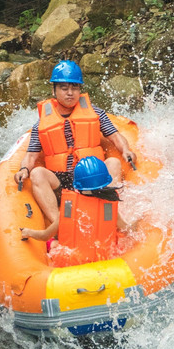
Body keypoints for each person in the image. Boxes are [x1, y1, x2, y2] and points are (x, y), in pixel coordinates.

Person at [14, 60, 136, 242]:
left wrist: (126, 150)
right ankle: (58, 224)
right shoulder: (42, 124)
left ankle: (110, 213)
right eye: (64, 88)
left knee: (114, 162)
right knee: (38, 173)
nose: (70, 93)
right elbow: (31, 155)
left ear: (80, 90)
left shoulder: (96, 113)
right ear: (54, 91)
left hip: (93, 176)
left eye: (74, 88)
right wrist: (24, 169)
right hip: (60, 180)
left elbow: (115, 136)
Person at [21, 156, 129, 265]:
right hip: (103, 258)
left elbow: (44, 235)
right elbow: (127, 229)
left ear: (77, 186)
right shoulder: (109, 208)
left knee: (52, 244)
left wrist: (28, 232)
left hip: (72, 262)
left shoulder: (68, 208)